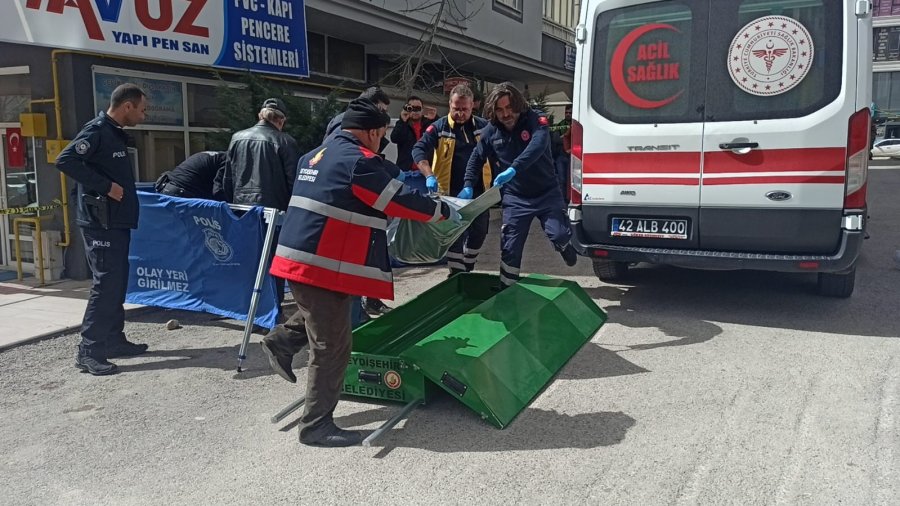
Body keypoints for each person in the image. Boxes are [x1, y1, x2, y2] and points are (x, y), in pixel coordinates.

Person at [265, 98, 458, 447]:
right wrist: (439, 211)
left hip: (303, 259)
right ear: (371, 132)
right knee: (332, 345)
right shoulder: (359, 162)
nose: (380, 141)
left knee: (323, 314)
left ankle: (280, 341)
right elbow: (397, 201)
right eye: (380, 135)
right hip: (321, 266)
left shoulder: (316, 155)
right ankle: (316, 426)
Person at [55, 83, 150, 375]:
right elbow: (65, 160)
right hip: (100, 223)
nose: (144, 117)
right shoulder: (97, 130)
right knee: (105, 284)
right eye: (142, 110)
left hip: (116, 221)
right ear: (127, 106)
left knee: (117, 282)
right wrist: (106, 187)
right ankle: (89, 350)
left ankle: (112, 339)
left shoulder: (114, 133)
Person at [459, 82, 577, 289]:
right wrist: (468, 184)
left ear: (517, 104)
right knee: (510, 246)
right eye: (500, 110)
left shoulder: (534, 119)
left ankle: (564, 245)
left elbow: (538, 144)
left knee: (557, 234)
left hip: (546, 191)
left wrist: (514, 168)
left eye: (509, 108)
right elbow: (476, 158)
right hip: (516, 197)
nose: (506, 114)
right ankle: (506, 286)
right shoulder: (491, 132)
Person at [412, 84, 492, 276]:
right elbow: (418, 149)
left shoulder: (484, 127)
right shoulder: (439, 128)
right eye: (456, 108)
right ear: (449, 104)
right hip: (449, 193)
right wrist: (429, 175)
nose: (460, 113)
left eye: (465, 109)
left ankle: (468, 266)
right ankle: (456, 273)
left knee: (479, 231)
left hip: (478, 192)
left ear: (473, 106)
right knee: (452, 235)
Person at [221, 98, 300, 210]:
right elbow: (293, 182)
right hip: (274, 211)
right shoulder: (286, 141)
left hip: (241, 206)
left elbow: (228, 177)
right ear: (281, 120)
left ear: (260, 116)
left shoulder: (236, 138)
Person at [390, 95, 435, 193]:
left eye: (418, 108)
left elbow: (439, 136)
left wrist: (434, 118)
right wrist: (402, 121)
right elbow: (394, 138)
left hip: (424, 173)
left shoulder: (429, 124)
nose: (414, 111)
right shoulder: (403, 124)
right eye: (411, 108)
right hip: (406, 173)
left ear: (422, 110)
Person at [154, 151, 226, 200]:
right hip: (183, 193)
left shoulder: (216, 156)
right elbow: (218, 191)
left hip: (166, 187)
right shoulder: (227, 161)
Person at [552, 105, 572, 204]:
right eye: (566, 112)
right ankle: (563, 201)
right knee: (562, 180)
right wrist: (565, 139)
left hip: (574, 156)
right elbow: (555, 139)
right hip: (561, 156)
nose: (568, 114)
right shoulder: (561, 124)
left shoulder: (576, 124)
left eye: (570, 113)